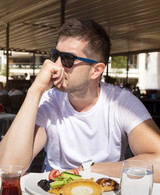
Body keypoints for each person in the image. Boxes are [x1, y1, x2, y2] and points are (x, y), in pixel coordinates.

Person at [0, 19, 160, 182]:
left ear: (96, 70)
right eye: (56, 55)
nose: (56, 65)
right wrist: (36, 90)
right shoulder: (49, 100)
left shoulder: (120, 103)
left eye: (68, 59)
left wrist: (90, 170)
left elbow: (158, 162)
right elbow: (8, 167)